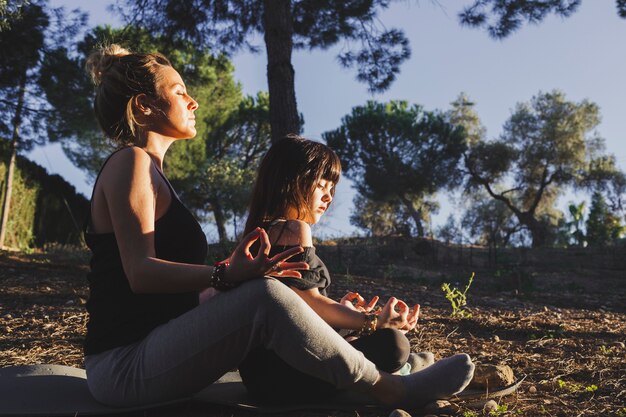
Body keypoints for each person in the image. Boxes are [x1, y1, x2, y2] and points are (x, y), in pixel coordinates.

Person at [82, 43, 475, 410]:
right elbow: (140, 274)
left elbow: (173, 296)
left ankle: (380, 370)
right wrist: (224, 275)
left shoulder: (152, 174)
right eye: (180, 91)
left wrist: (241, 282)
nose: (193, 101)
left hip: (157, 349)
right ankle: (392, 389)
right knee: (263, 296)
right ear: (145, 106)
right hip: (123, 367)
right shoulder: (130, 162)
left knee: (262, 290)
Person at [239, 135, 434, 403]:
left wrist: (344, 315)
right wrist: (372, 322)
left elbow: (299, 310)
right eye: (322, 185)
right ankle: (402, 373)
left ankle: (401, 369)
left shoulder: (258, 233)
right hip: (285, 373)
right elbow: (311, 302)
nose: (329, 197)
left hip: (261, 376)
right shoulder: (293, 229)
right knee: (394, 344)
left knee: (386, 341)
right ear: (294, 181)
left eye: (333, 188)